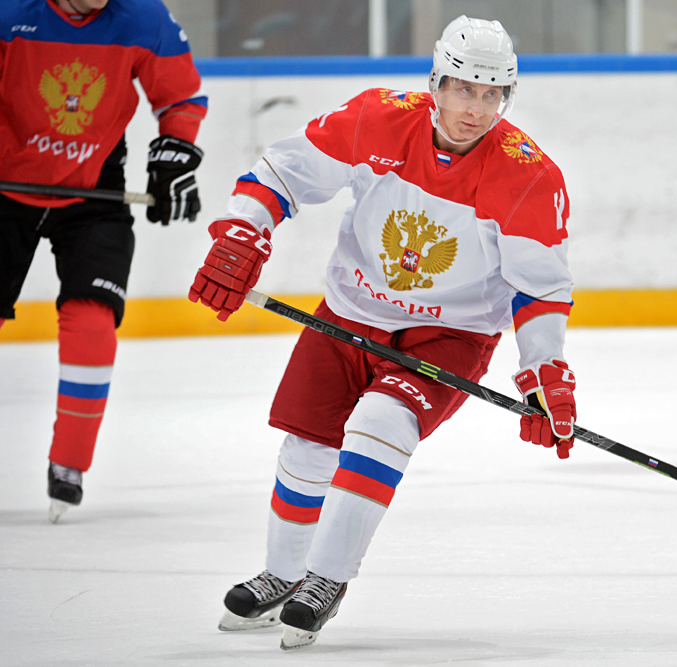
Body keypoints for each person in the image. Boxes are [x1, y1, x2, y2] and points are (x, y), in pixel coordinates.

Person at [189, 16, 576, 651]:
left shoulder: (528, 173)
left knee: (382, 424)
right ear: (435, 82)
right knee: (308, 447)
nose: (474, 108)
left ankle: (326, 579)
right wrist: (245, 231)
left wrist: (545, 369)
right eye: (461, 89)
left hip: (449, 335)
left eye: (490, 94)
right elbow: (282, 173)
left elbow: (540, 287)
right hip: (348, 311)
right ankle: (283, 575)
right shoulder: (378, 117)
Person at [0, 0, 207, 522]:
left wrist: (174, 151)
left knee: (93, 320)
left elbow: (179, 94)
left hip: (94, 190)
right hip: (4, 188)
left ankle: (69, 464)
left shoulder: (143, 17)